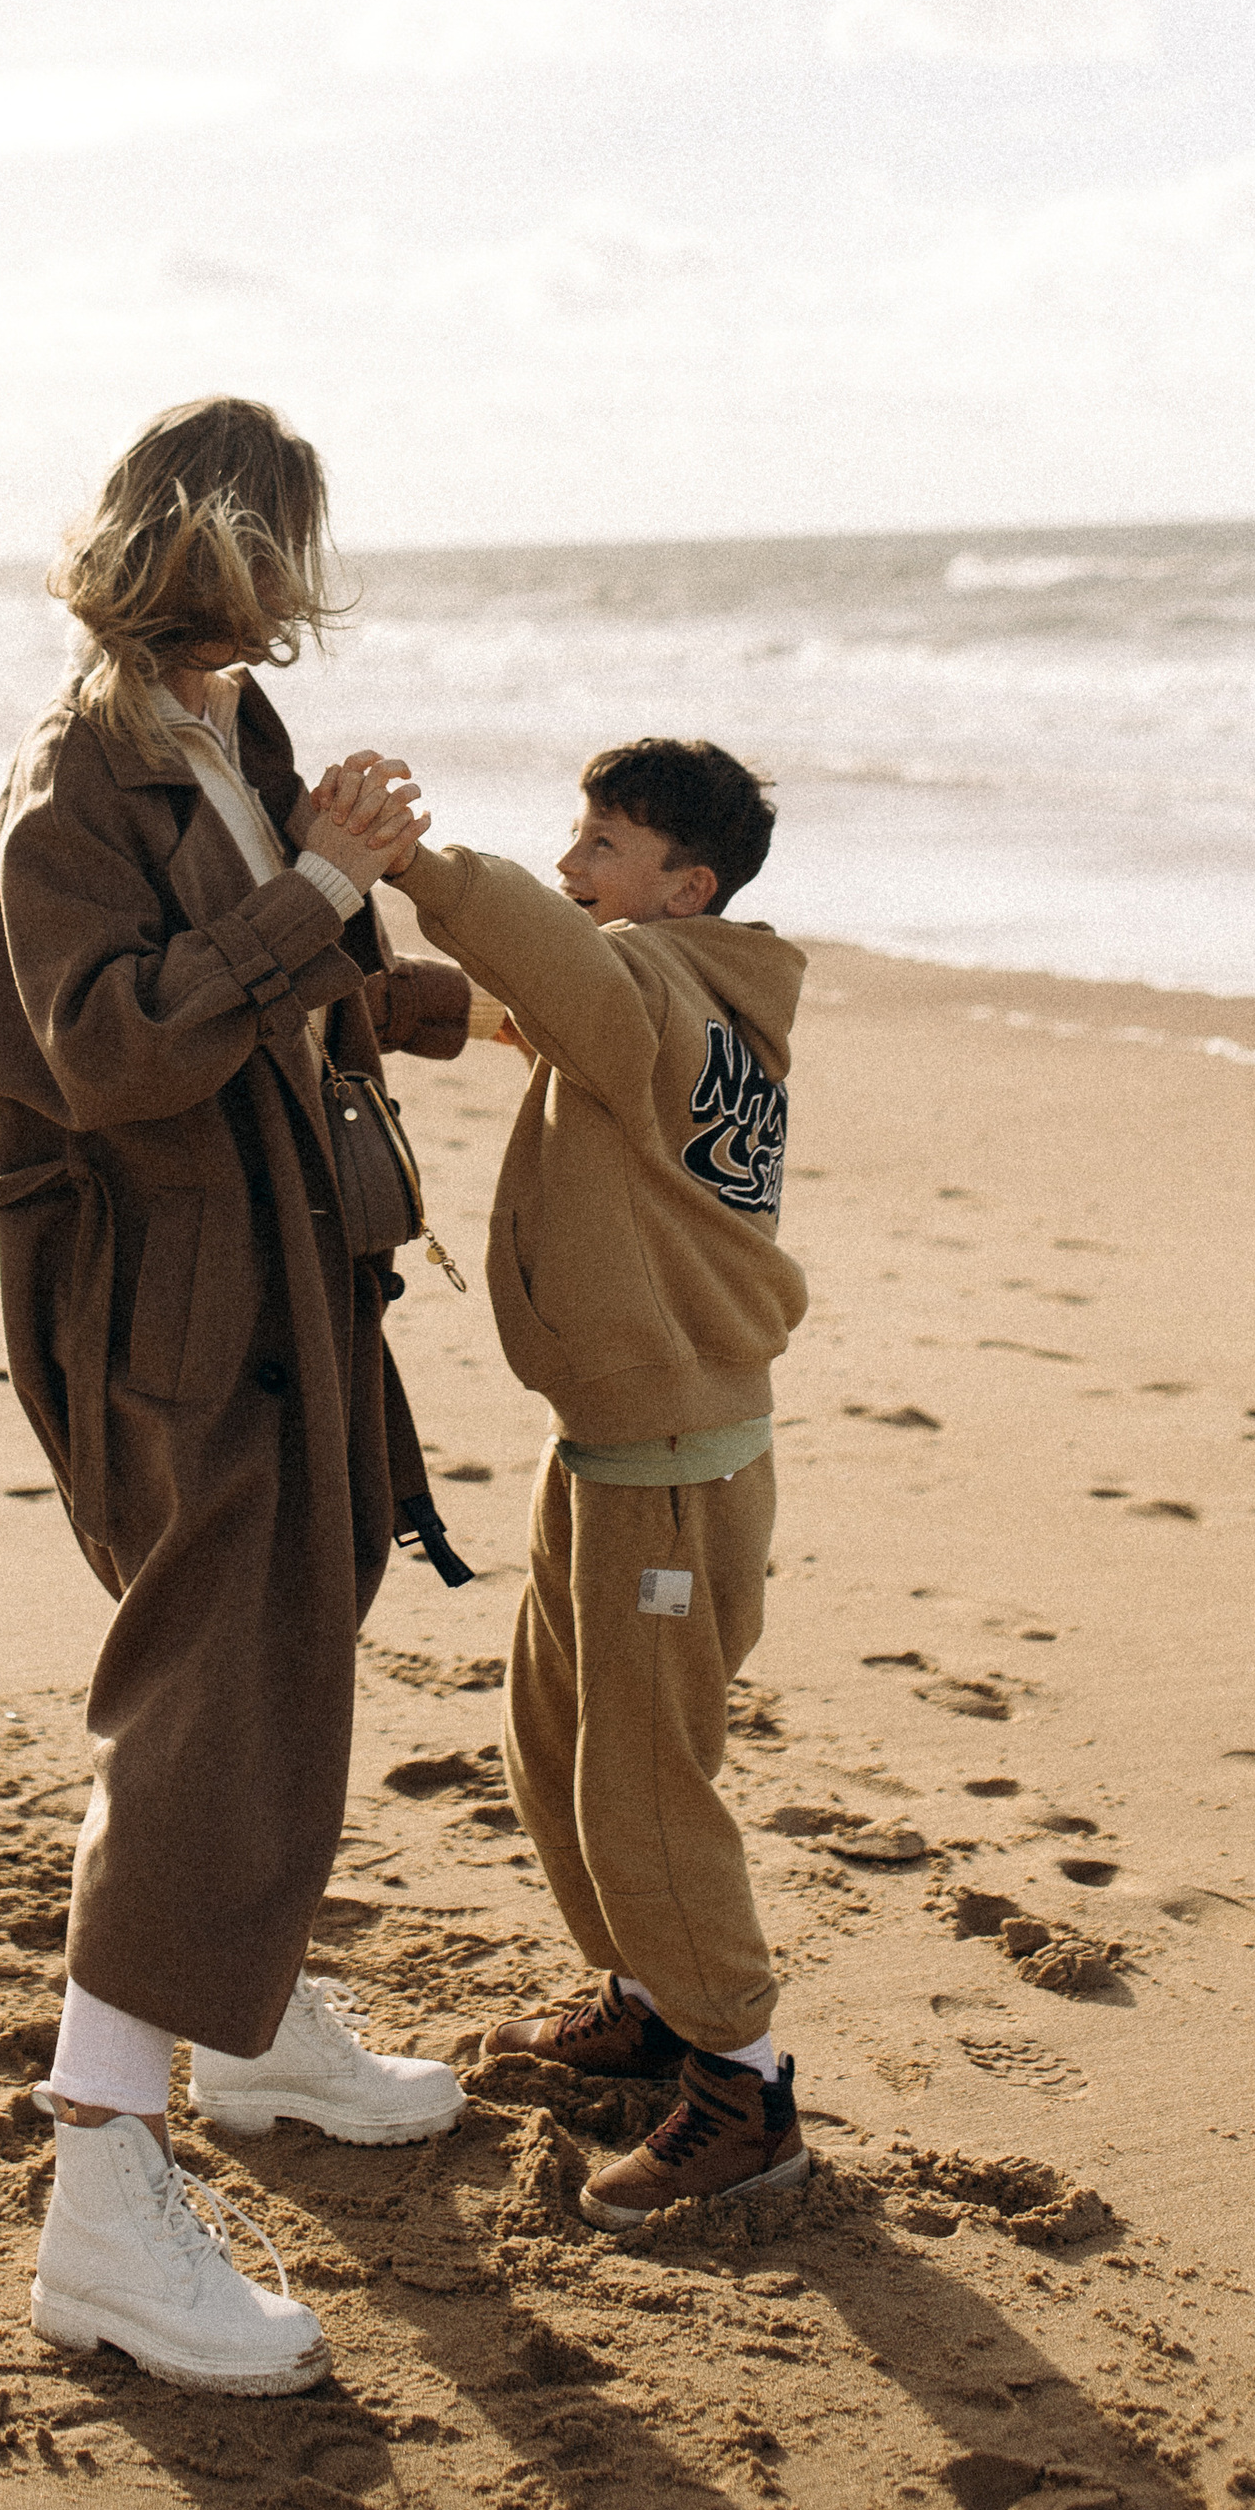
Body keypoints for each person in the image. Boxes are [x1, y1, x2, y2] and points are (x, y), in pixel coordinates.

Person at [0, 397, 476, 2395]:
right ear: (216, 547)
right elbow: (117, 1049)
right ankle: (97, 2201)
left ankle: (244, 2020)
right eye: (280, 549)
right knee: (202, 1694)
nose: (292, 590)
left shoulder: (234, 733)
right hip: (169, 1307)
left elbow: (264, 977)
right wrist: (313, 893)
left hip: (288, 1273)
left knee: (291, 1638)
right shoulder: (72, 775)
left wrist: (401, 973)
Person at [376, 736, 813, 2232]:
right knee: (553, 1734)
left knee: (642, 1775)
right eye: (573, 838)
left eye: (607, 846)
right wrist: (473, 1016)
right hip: (620, 1448)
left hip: (671, 1475)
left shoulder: (652, 997)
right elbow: (571, 1006)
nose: (574, 866)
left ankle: (745, 2089)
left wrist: (413, 867)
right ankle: (644, 2005)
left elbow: (572, 975)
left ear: (685, 887)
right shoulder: (684, 996)